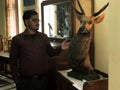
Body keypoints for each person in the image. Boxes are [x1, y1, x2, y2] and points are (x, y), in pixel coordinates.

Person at [10, 10, 70, 90]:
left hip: (43, 81)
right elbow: (13, 61)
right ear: (26, 22)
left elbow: (51, 52)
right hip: (26, 82)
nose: (37, 22)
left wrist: (60, 48)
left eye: (38, 20)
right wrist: (16, 80)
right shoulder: (17, 39)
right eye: (34, 20)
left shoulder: (43, 37)